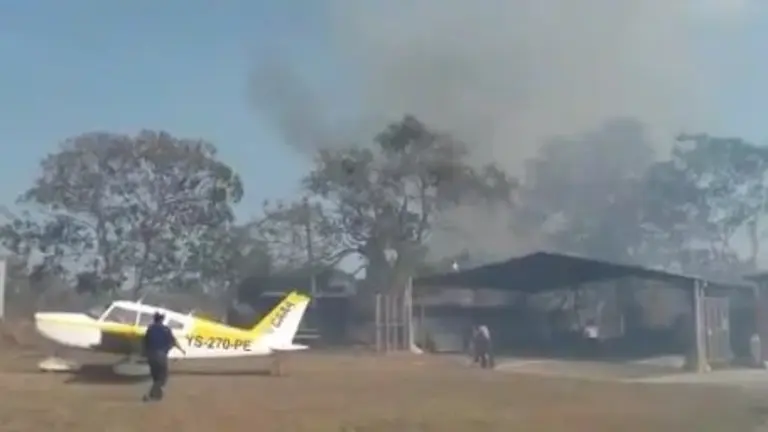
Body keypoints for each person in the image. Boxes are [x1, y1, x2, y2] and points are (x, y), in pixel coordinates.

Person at [142, 312, 185, 402]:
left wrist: (145, 354)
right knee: (162, 378)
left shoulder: (150, 329)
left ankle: (157, 395)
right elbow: (173, 341)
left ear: (154, 319)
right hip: (161, 356)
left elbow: (145, 342)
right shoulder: (166, 329)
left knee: (156, 377)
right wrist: (181, 349)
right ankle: (150, 395)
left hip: (151, 356)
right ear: (162, 319)